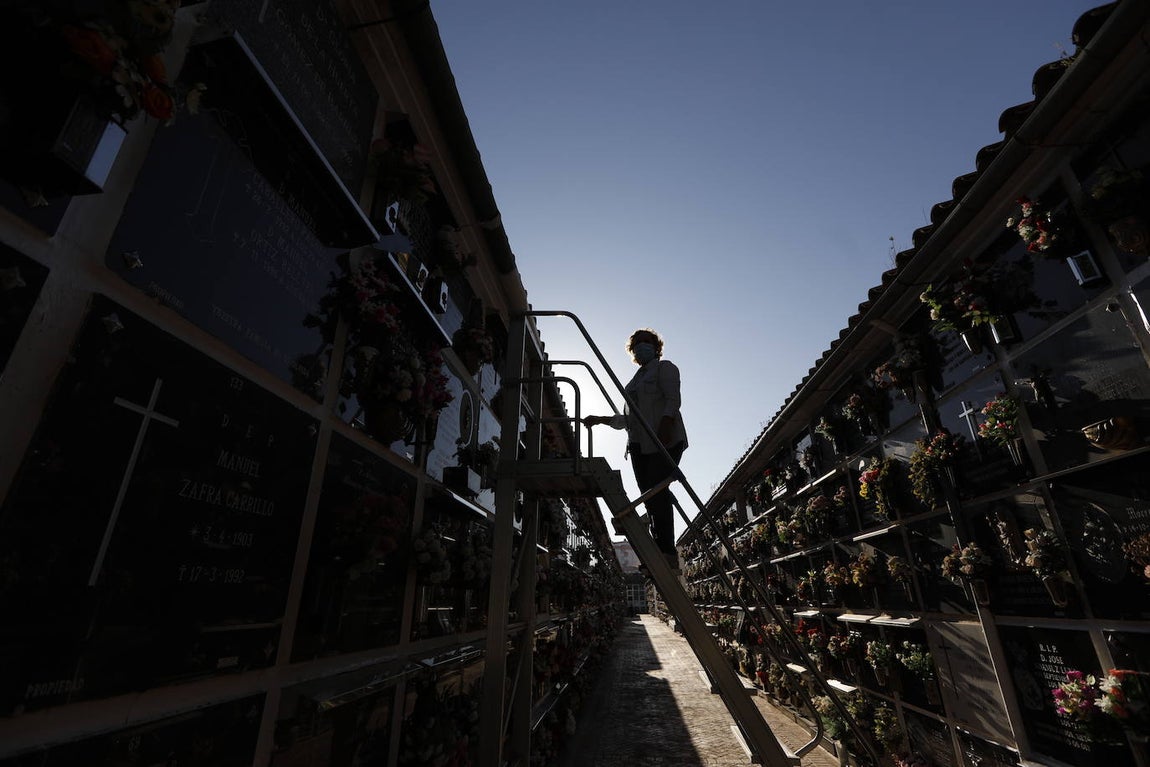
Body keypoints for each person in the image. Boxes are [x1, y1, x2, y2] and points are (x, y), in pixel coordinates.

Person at [584, 328, 688, 570]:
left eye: (646, 342)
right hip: (639, 446)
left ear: (656, 347)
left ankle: (667, 552)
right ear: (632, 351)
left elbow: (673, 400)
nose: (642, 346)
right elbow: (628, 419)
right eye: (637, 344)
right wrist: (600, 419)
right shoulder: (633, 383)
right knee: (649, 495)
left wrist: (664, 427)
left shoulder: (665, 368)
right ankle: (659, 550)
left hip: (665, 439)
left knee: (656, 489)